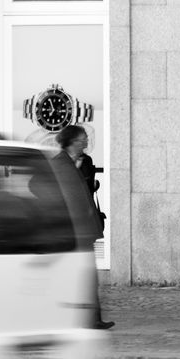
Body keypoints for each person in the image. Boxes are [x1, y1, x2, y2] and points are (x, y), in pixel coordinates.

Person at [53, 125, 113, 330]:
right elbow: (36, 185)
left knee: (89, 274)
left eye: (86, 139)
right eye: (82, 139)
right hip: (67, 229)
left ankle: (93, 318)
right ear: (71, 142)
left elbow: (88, 187)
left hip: (85, 227)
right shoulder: (57, 163)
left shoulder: (86, 162)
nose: (86, 142)